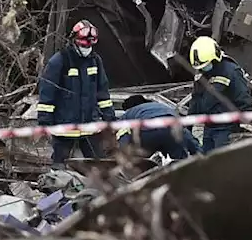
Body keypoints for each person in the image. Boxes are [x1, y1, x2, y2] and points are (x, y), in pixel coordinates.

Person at [37, 19, 116, 165]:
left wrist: (109, 117)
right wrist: (45, 122)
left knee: (98, 166)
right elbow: (47, 93)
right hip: (64, 127)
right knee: (59, 167)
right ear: (74, 40)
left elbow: (102, 93)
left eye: (90, 44)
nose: (87, 48)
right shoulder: (59, 61)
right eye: (83, 44)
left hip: (89, 127)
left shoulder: (95, 61)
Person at [187, 36, 252, 152]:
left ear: (215, 57)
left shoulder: (231, 71)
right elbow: (196, 100)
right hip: (208, 127)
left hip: (227, 129)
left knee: (222, 164)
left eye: (205, 65)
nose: (203, 69)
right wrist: (188, 126)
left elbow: (243, 99)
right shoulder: (201, 74)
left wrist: (243, 127)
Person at [116, 95, 201, 160]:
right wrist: (199, 151)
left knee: (140, 160)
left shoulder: (128, 113)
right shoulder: (163, 107)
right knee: (178, 162)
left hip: (149, 131)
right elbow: (185, 133)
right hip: (173, 131)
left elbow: (122, 134)